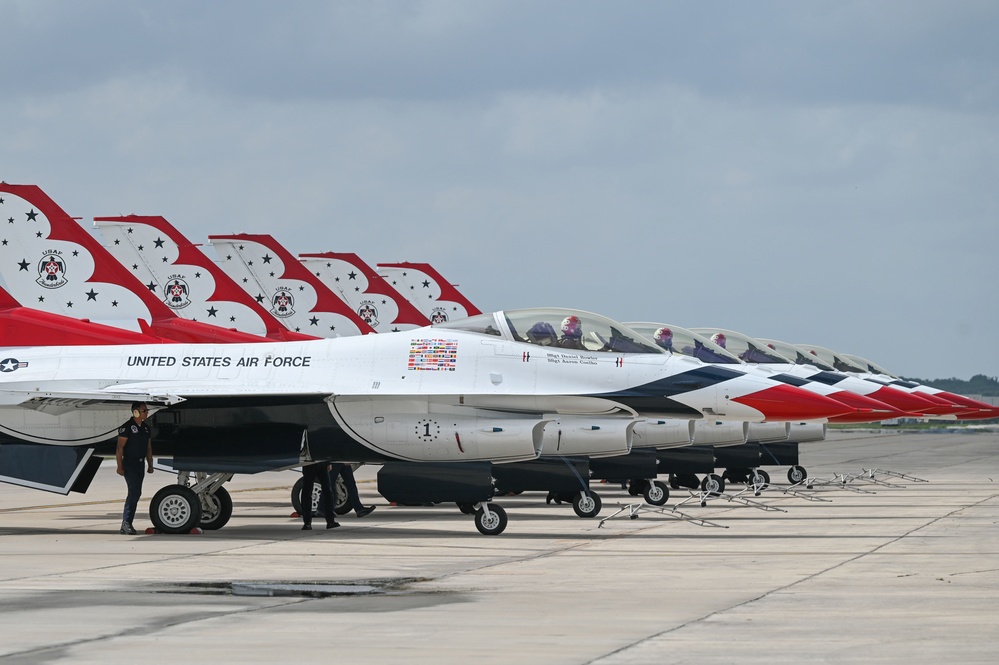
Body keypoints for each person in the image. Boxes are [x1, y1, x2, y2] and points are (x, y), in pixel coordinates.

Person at [116, 402, 153, 535]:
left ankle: (127, 523)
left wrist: (150, 464)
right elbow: (120, 448)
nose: (146, 413)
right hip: (130, 464)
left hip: (140, 464)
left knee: (137, 492)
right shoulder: (127, 427)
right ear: (136, 412)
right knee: (134, 491)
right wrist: (119, 466)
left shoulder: (146, 428)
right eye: (144, 410)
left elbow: (148, 447)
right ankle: (126, 523)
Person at [300, 462, 339, 530]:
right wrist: (328, 462)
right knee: (327, 492)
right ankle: (330, 521)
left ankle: (307, 523)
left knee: (307, 493)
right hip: (319, 463)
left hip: (310, 463)